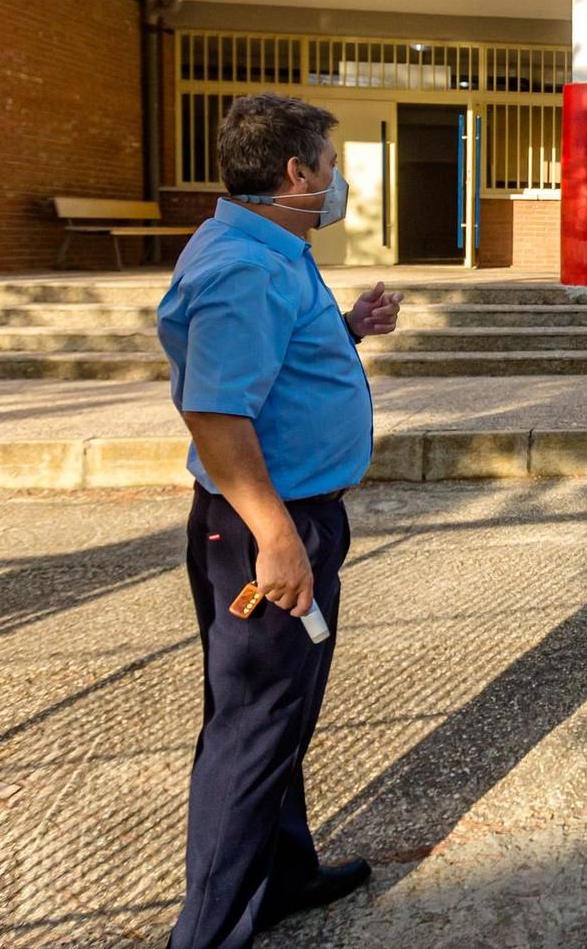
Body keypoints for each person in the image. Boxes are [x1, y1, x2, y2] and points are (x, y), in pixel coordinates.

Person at [157, 93, 402, 948]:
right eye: (331, 167)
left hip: (294, 514)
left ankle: (285, 874)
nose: (336, 184)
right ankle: (211, 932)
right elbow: (217, 414)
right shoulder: (245, 267)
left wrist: (347, 328)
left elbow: (271, 362)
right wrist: (277, 537)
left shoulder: (270, 247)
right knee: (254, 725)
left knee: (281, 713)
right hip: (268, 525)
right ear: (296, 172)